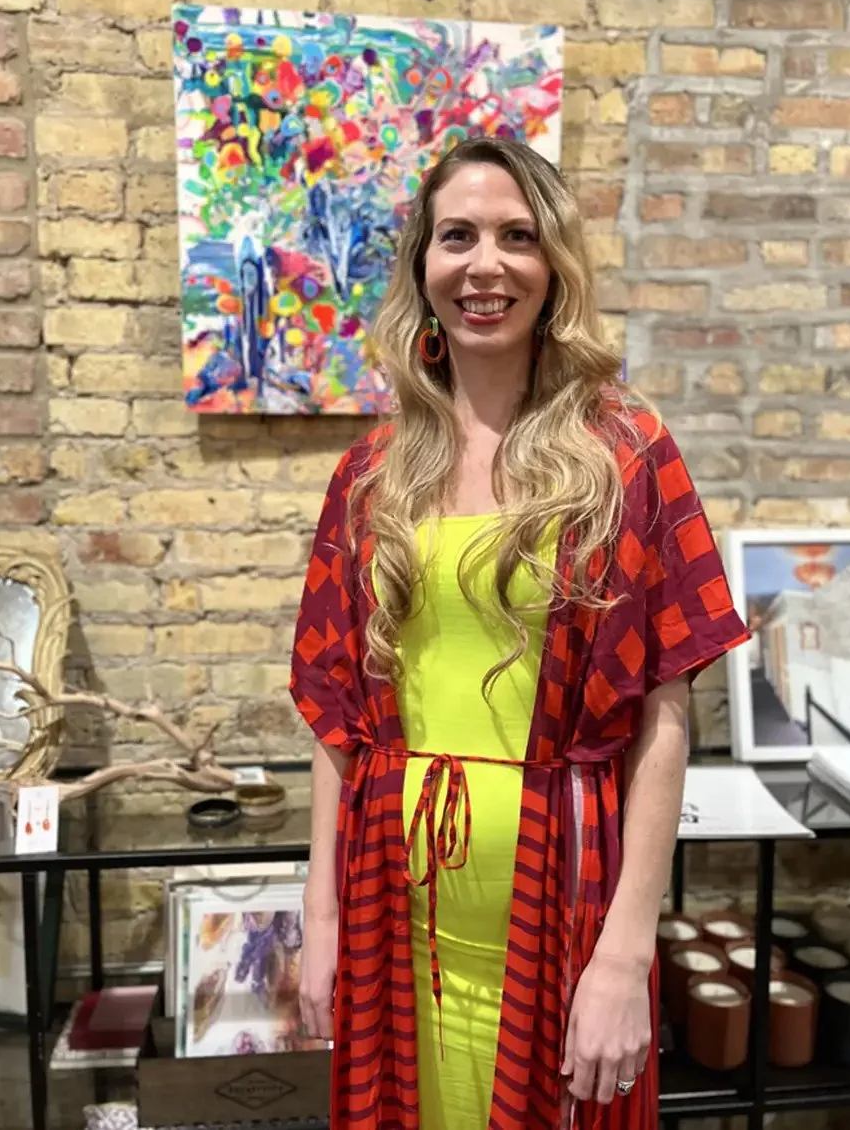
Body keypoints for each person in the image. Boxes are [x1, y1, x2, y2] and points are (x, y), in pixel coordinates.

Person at [290, 136, 749, 1130]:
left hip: (563, 905)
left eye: (515, 237)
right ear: (421, 264)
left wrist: (628, 954)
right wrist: (317, 917)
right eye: (456, 237)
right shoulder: (370, 473)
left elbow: (661, 719)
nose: (484, 265)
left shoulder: (623, 454)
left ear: (553, 270)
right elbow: (334, 718)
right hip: (388, 906)